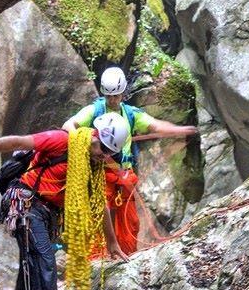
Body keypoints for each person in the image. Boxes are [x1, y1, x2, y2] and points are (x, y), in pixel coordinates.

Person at [0, 113, 130, 290]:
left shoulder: (94, 167)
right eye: (102, 148)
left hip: (47, 215)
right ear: (94, 134)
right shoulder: (63, 141)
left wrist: (113, 242)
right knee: (44, 264)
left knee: (30, 273)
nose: (103, 155)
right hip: (27, 205)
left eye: (109, 153)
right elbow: (21, 142)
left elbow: (101, 201)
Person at [62, 66, 198, 253]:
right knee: (98, 218)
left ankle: (126, 257)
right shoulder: (94, 111)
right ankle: (95, 262)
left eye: (116, 96)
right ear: (103, 93)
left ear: (123, 93)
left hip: (125, 176)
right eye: (109, 96)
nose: (112, 100)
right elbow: (68, 125)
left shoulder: (131, 114)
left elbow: (155, 126)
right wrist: (89, 143)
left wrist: (180, 130)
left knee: (130, 222)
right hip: (101, 175)